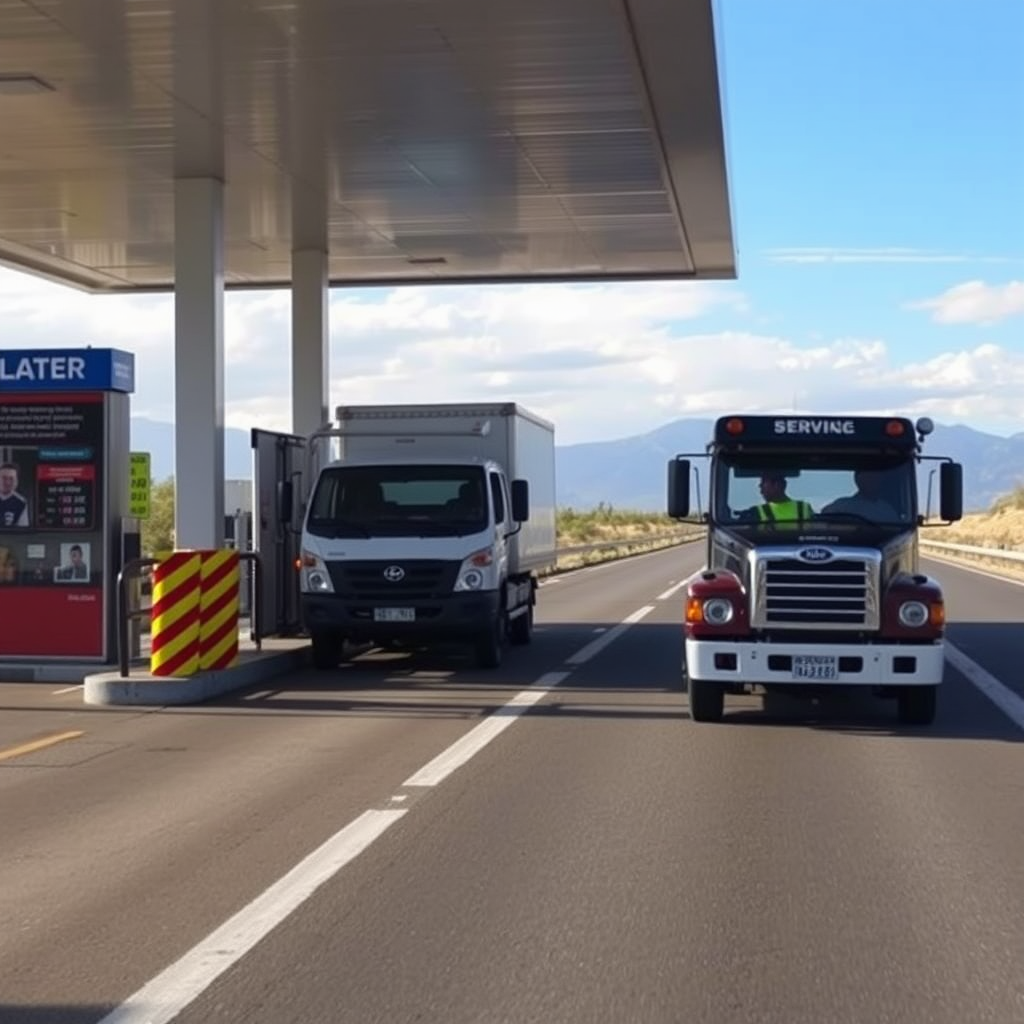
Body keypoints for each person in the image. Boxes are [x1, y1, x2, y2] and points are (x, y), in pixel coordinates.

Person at [738, 472, 814, 527]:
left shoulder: (756, 513)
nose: (761, 491)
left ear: (777, 485)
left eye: (763, 484)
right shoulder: (804, 508)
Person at [821, 469, 899, 521]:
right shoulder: (842, 506)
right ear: (857, 479)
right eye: (867, 477)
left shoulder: (887, 510)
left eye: (874, 477)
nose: (871, 480)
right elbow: (823, 518)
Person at [0, 462, 29, 527]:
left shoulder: (21, 502)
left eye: (11, 478)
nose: (7, 482)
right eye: (4, 478)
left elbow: (22, 530)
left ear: (17, 481)